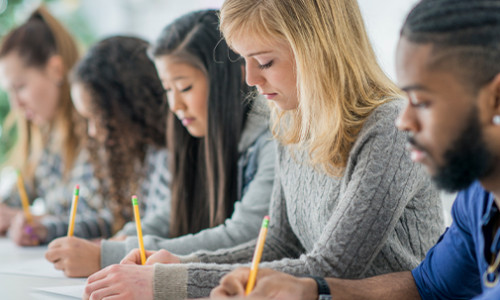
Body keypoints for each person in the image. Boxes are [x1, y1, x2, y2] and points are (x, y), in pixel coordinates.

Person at [82, 1, 444, 299]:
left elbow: (334, 269)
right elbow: (277, 244)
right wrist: (176, 265)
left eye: (265, 62)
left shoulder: (389, 127)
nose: (250, 79)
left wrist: (168, 284)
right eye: (245, 61)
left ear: (318, 50)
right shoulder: (290, 120)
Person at [210, 0, 500, 299]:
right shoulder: (477, 200)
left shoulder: (384, 128)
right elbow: (429, 285)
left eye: (422, 102)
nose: (404, 120)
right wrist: (312, 288)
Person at [45, 10, 275, 277]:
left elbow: (244, 235)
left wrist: (108, 256)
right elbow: (174, 207)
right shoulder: (197, 135)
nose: (175, 105)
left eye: (185, 87)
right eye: (168, 89)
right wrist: (127, 238)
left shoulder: (269, 140)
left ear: (230, 78)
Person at [44, 35, 170, 276]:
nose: (93, 132)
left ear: (128, 103)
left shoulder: (170, 154)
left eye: (98, 118)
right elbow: (116, 219)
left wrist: (107, 251)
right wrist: (47, 230)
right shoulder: (138, 153)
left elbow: (166, 227)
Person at [0, 7, 104, 245]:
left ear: (56, 69)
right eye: (10, 92)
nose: (16, 104)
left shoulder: (96, 132)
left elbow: (107, 219)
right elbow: (16, 199)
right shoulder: (43, 138)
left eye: (20, 87)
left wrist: (33, 221)